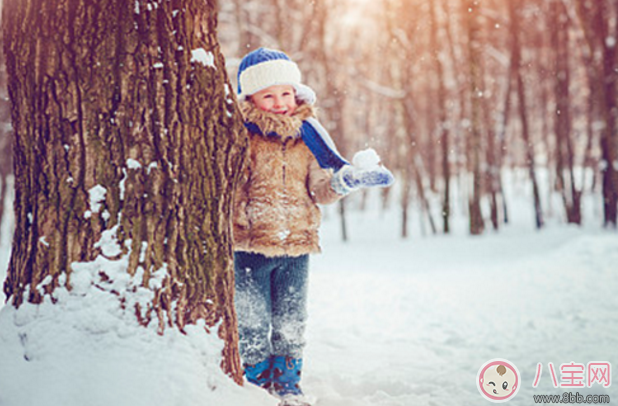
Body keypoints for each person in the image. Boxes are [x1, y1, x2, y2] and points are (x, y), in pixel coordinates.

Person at [232, 47, 393, 404]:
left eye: (285, 93)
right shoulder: (245, 138)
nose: (279, 102)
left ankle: (288, 383)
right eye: (268, 95)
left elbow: (320, 190)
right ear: (252, 99)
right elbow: (232, 186)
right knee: (252, 322)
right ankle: (255, 383)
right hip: (250, 247)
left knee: (291, 319)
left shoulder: (309, 138)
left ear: (296, 93)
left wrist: (343, 182)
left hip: (298, 245)